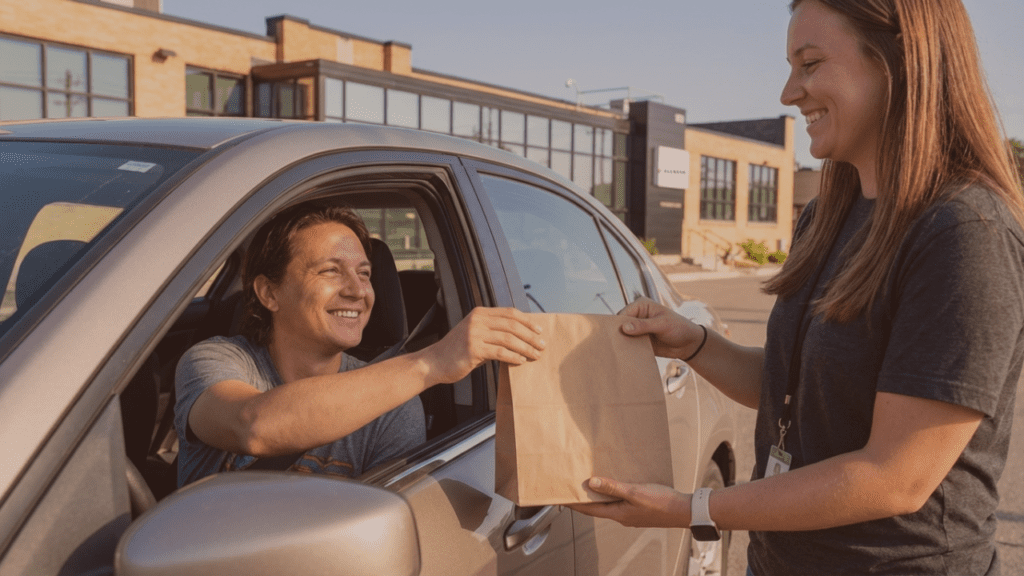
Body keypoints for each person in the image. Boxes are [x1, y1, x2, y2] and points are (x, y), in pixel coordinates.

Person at [571, 1, 1024, 574]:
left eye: (809, 64)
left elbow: (895, 477)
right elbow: (805, 387)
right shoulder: (828, 214)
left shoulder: (964, 232)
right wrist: (695, 343)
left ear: (898, 63)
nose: (789, 93)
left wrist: (690, 508)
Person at [175, 203, 546, 486]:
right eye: (331, 271)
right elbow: (253, 426)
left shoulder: (395, 408)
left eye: (364, 274)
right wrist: (430, 363)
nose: (357, 291)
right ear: (270, 293)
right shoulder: (215, 360)